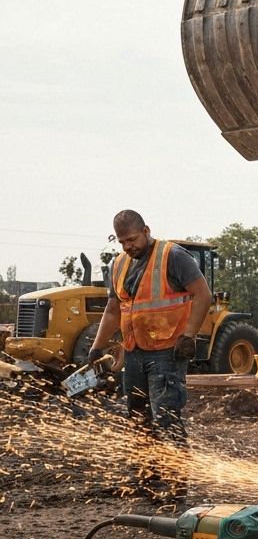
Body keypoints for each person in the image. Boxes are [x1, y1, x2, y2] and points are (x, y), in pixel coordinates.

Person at [89, 210, 213, 490]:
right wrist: (97, 347)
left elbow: (203, 294)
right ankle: (148, 478)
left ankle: (177, 483)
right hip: (134, 352)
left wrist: (189, 335)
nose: (127, 246)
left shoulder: (174, 256)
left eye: (131, 239)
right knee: (137, 417)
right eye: (122, 242)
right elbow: (113, 309)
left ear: (146, 231)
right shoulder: (118, 264)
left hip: (167, 352)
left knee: (166, 416)